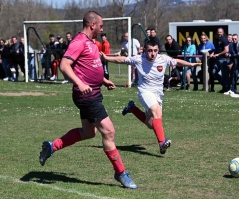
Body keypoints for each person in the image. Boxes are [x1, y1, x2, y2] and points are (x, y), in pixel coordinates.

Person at [39, 11, 137, 189]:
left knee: (88, 132)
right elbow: (64, 65)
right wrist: (79, 83)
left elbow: (89, 66)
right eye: (100, 25)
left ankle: (52, 146)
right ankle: (121, 173)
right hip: (87, 96)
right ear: (92, 25)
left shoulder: (91, 43)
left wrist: (103, 80)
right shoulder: (78, 42)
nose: (102, 29)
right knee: (109, 132)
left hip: (92, 92)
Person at [100, 40, 201, 155]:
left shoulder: (163, 58)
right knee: (157, 112)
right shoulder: (139, 59)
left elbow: (176, 62)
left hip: (158, 94)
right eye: (150, 51)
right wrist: (107, 58)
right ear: (144, 50)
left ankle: (132, 108)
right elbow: (122, 59)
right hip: (145, 92)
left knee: (150, 124)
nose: (152, 54)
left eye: (155, 51)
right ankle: (162, 143)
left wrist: (191, 64)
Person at [211, 28, 229, 92]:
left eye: (220, 32)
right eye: (218, 32)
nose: (219, 33)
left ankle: (226, 88)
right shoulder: (217, 40)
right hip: (217, 59)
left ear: (223, 32)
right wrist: (213, 53)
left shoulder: (224, 40)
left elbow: (226, 50)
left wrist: (218, 54)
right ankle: (225, 86)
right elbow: (215, 49)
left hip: (223, 59)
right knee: (214, 72)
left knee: (224, 75)